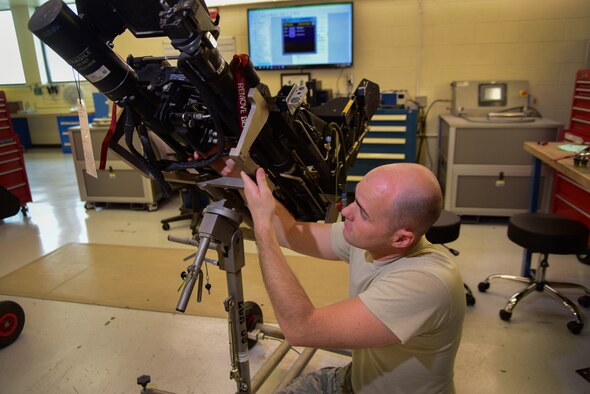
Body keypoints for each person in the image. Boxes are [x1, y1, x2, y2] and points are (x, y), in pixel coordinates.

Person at [239, 162, 466, 394]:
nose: (346, 212)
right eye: (355, 200)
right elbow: (291, 232)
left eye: (363, 213)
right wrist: (234, 170)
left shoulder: (426, 284)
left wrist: (262, 228)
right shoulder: (370, 240)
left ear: (401, 239)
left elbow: (300, 328)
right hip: (356, 381)